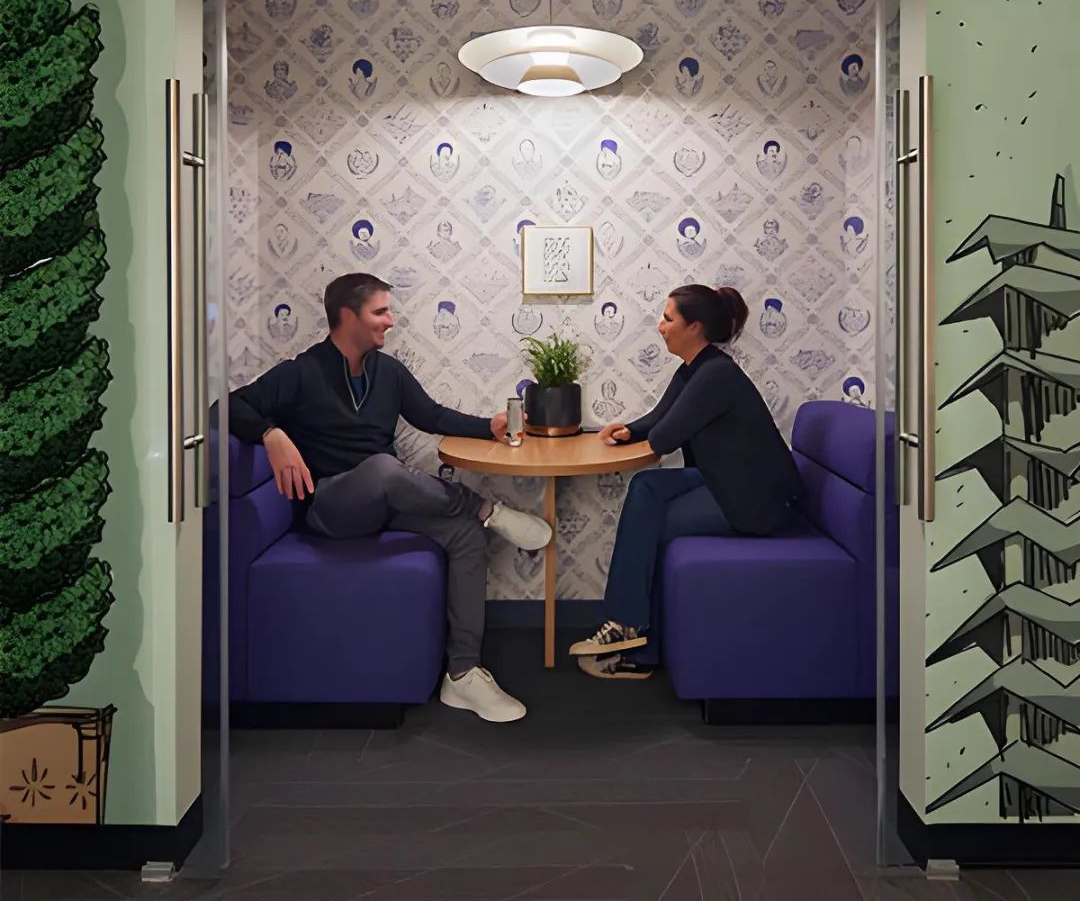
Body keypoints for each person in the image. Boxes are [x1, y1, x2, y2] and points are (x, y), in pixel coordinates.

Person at [227, 272, 552, 723]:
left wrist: (488, 427)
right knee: (383, 468)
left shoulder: (388, 371)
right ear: (347, 316)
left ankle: (462, 674)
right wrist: (271, 433)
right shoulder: (301, 372)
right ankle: (486, 508)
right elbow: (227, 406)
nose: (391, 321)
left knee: (464, 535)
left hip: (386, 504)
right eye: (380, 311)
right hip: (331, 508)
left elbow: (431, 415)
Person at [569, 284, 802, 680]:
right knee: (646, 487)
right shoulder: (695, 368)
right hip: (723, 481)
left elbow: (664, 438)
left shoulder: (716, 376)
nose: (660, 326)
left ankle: (632, 636)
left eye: (668, 318)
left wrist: (647, 434)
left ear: (694, 327)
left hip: (756, 502)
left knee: (651, 525)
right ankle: (630, 630)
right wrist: (627, 431)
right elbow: (657, 418)